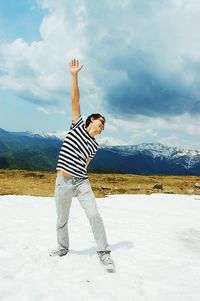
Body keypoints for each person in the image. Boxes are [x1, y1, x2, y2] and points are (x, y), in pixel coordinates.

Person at [50, 59, 114, 269]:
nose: (103, 125)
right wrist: (74, 75)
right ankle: (62, 248)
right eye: (100, 121)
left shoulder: (95, 146)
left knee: (94, 214)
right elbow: (74, 99)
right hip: (63, 181)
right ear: (90, 121)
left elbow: (85, 164)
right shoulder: (77, 125)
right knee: (62, 218)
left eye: (104, 124)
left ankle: (104, 252)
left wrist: (81, 177)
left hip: (82, 182)